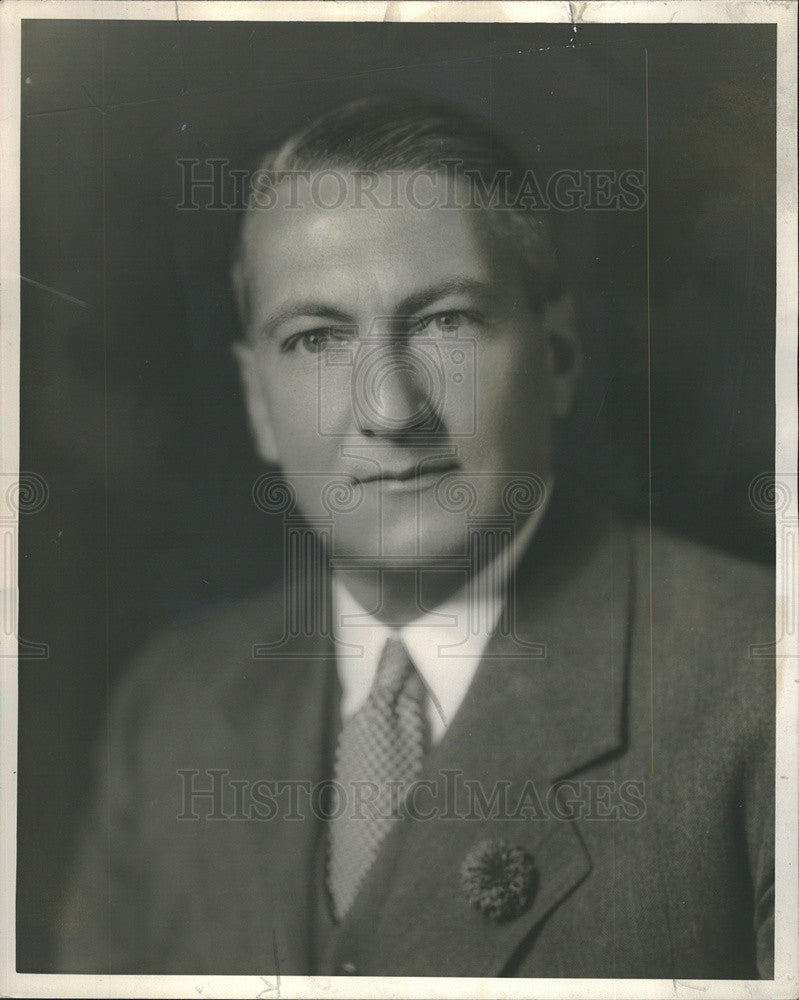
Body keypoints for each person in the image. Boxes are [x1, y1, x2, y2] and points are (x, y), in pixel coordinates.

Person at [56, 94, 775, 979]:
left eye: (446, 322)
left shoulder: (764, 690)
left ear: (556, 357)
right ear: (257, 402)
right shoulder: (170, 711)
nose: (390, 411)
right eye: (317, 338)